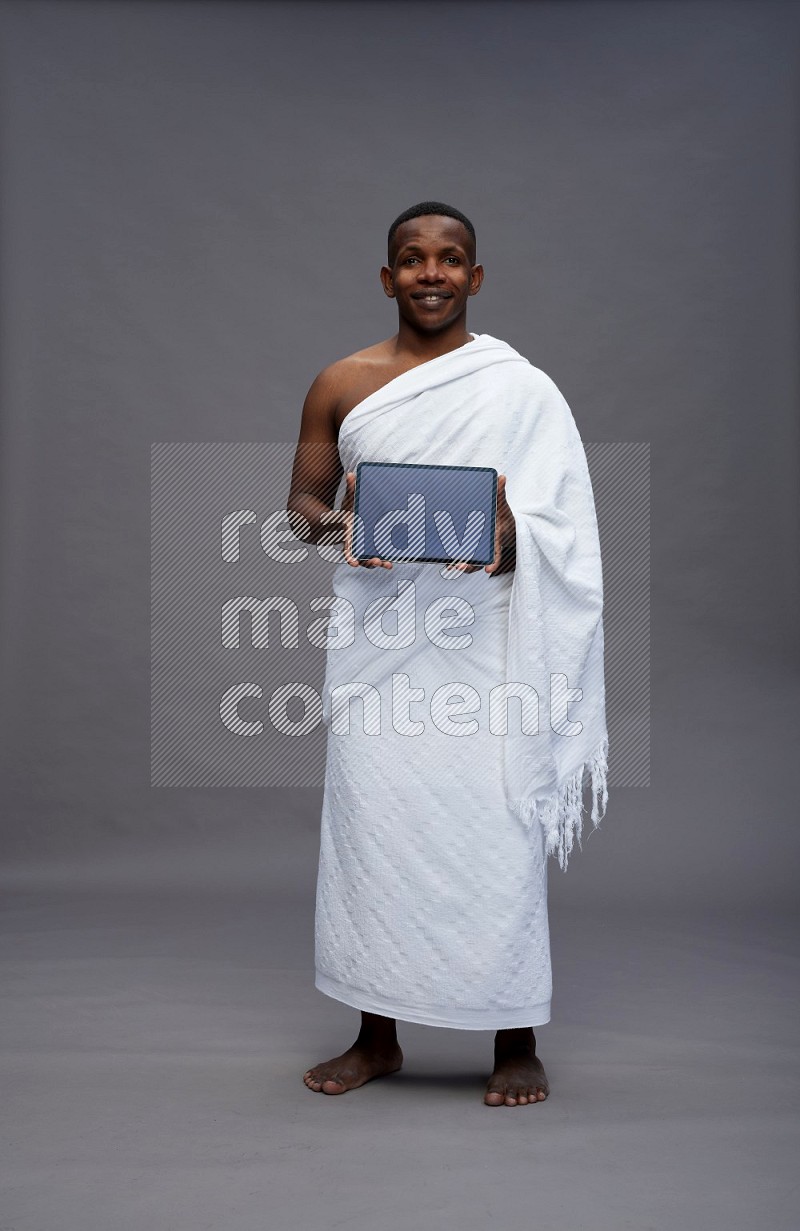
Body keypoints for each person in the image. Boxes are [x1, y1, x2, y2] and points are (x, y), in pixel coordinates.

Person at [286, 202, 608, 1107]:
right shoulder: (339, 384)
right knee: (373, 829)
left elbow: (565, 527)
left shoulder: (523, 389)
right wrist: (348, 526)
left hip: (487, 645)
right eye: (412, 259)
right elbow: (300, 505)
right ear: (387, 277)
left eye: (452, 259)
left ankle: (515, 1032)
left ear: (475, 277)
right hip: (379, 645)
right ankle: (374, 1034)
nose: (432, 273)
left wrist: (508, 531)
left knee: (493, 828)